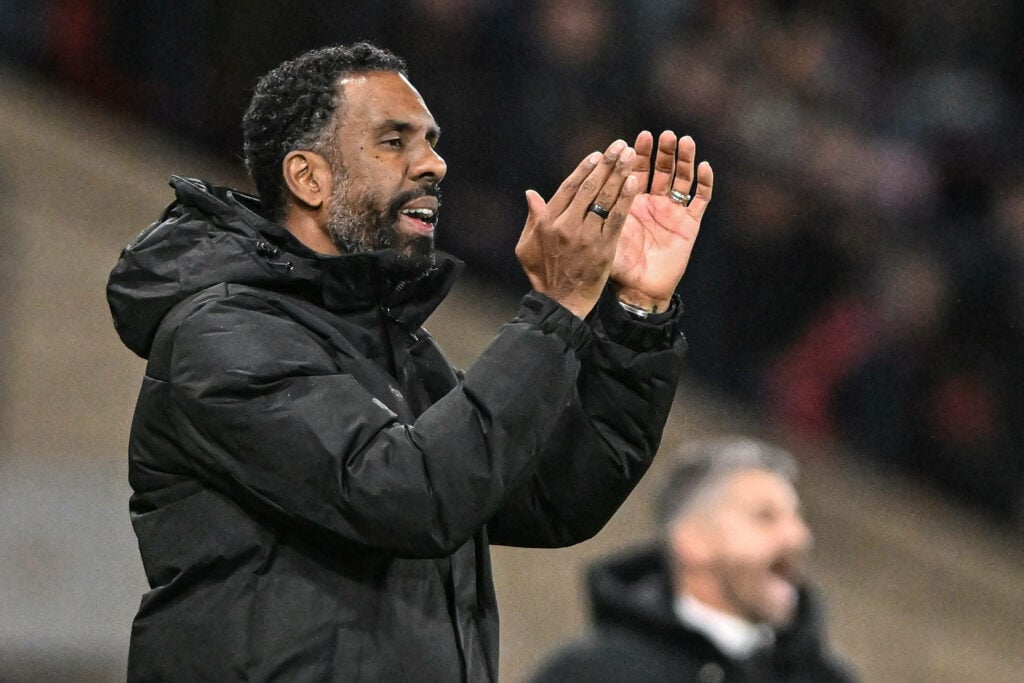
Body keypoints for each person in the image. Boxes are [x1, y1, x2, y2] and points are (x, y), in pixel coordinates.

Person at [106, 42, 713, 682]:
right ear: (308, 177)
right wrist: (556, 307)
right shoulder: (223, 334)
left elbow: (548, 496)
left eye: (430, 141)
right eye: (395, 142)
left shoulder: (397, 348)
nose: (434, 164)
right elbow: (409, 495)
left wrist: (636, 315)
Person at [531, 438, 858, 683]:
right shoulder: (590, 674)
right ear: (693, 541)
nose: (799, 537)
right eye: (765, 517)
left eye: (797, 519)